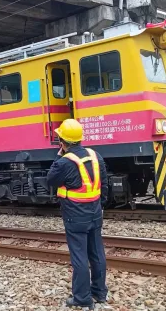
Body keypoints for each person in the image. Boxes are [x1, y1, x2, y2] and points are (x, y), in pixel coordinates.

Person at [46, 119, 108, 310]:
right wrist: (98, 205)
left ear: (62, 142)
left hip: (75, 215)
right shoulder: (95, 155)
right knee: (97, 252)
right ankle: (99, 293)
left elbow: (51, 180)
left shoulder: (64, 161)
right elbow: (104, 185)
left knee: (79, 257)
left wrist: (59, 157)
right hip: (95, 212)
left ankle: (82, 298)